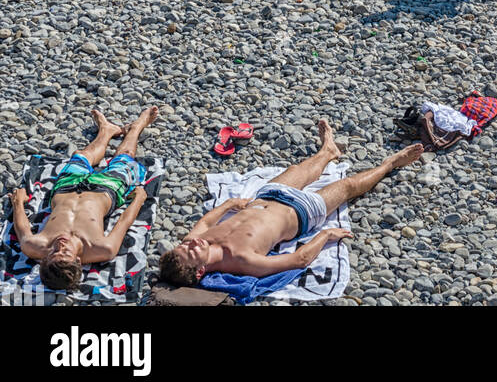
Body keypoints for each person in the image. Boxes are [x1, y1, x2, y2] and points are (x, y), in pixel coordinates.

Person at [158, 119, 423, 287]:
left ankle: (328, 150)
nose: (192, 242)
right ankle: (391, 163)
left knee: (304, 167)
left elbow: (205, 221)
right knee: (348, 187)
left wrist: (228, 205)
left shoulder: (195, 241)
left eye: (185, 244)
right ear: (201, 271)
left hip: (267, 195)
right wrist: (326, 235)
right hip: (302, 211)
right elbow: (298, 259)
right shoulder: (243, 261)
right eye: (191, 251)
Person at [7, 106, 157, 291]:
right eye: (65, 252)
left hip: (66, 188)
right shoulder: (102, 248)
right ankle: (137, 127)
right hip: (106, 191)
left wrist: (18, 203)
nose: (60, 246)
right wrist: (139, 199)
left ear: (45, 258)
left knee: (81, 156)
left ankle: (106, 131)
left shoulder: (34, 246)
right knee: (124, 158)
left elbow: (21, 228)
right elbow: (124, 221)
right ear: (78, 260)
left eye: (54, 252)